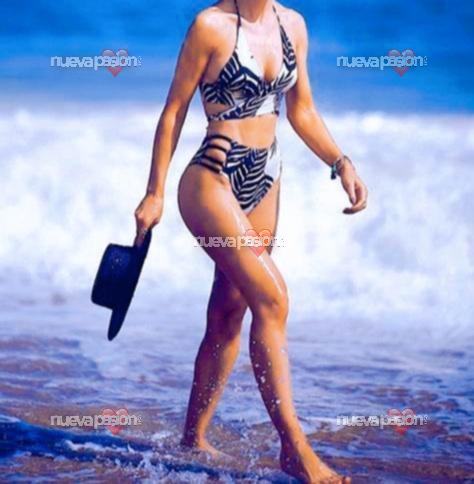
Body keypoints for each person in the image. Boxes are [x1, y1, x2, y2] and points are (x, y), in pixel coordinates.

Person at [134, 1, 367, 481]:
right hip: (212, 177)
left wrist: (341, 162)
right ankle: (294, 447)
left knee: (229, 311)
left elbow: (301, 109)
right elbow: (174, 111)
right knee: (273, 298)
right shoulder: (210, 26)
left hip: (266, 176)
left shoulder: (293, 25)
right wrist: (154, 192)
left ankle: (193, 438)